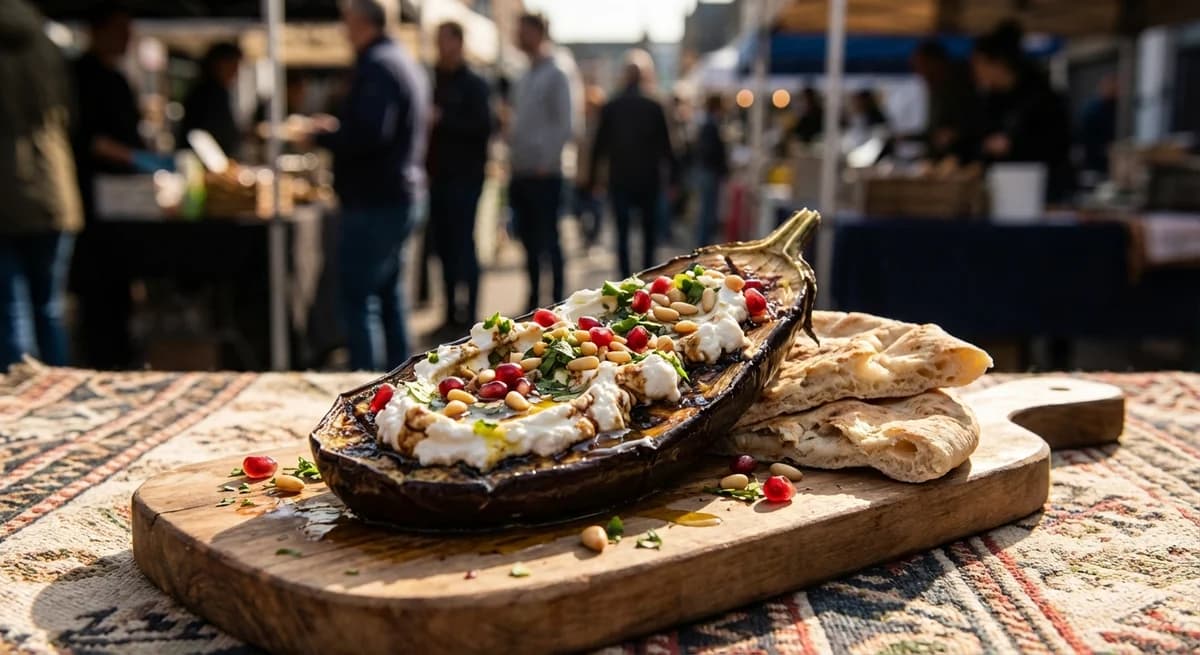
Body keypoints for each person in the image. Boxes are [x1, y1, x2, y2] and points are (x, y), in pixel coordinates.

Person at [311, 0, 429, 370]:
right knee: (388, 296)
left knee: (361, 299)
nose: (343, 31)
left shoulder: (379, 65)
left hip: (376, 198)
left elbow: (371, 133)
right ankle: (398, 381)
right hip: (395, 194)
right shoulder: (400, 60)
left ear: (362, 22)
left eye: (346, 22)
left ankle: (367, 387)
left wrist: (324, 135)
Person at [0, 0, 82, 368]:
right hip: (53, 185)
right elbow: (69, 115)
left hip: (5, 187)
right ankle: (56, 390)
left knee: (10, 304)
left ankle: (19, 394)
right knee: (48, 306)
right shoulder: (49, 46)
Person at [71, 4, 146, 369]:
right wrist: (133, 158)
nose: (127, 38)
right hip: (93, 199)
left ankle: (119, 355)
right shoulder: (80, 75)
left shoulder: (116, 77)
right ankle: (100, 359)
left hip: (123, 200)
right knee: (97, 291)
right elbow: (86, 138)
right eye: (121, 29)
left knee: (119, 288)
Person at [426, 21, 493, 331]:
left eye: (444, 40)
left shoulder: (475, 84)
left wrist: (444, 120)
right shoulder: (434, 79)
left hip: (465, 177)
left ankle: (472, 314)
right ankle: (451, 310)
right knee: (444, 247)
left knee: (464, 244)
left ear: (458, 42)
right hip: (438, 177)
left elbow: (483, 128)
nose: (440, 46)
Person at [588, 49, 677, 278]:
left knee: (623, 234)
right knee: (649, 235)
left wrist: (592, 179)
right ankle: (646, 279)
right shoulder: (654, 105)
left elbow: (599, 146)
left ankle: (626, 280)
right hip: (649, 180)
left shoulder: (612, 105)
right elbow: (668, 147)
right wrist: (675, 180)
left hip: (620, 180)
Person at [508, 12, 573, 310]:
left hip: (544, 173)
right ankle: (534, 300)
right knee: (529, 242)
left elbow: (565, 123)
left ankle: (559, 300)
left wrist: (547, 161)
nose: (517, 35)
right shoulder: (524, 73)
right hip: (522, 171)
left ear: (537, 32)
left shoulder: (557, 71)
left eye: (522, 30)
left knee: (549, 240)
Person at [971, 24, 1073, 202]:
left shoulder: (1042, 96)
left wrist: (1012, 146)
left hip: (1042, 196)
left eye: (979, 64)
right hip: (1000, 194)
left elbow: (1058, 147)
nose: (976, 72)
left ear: (999, 63)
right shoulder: (990, 101)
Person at [910, 39, 977, 161]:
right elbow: (934, 131)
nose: (921, 72)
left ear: (936, 63)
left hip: (964, 158)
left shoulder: (963, 85)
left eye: (922, 66)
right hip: (943, 160)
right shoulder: (937, 88)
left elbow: (975, 124)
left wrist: (955, 134)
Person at [180, 42, 243, 157]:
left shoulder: (218, 91)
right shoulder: (206, 94)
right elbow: (204, 135)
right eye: (233, 65)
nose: (235, 72)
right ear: (219, 64)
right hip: (204, 162)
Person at [693, 94, 729, 248]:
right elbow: (711, 151)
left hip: (706, 171)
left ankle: (703, 242)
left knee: (706, 210)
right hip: (709, 172)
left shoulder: (708, 123)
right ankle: (703, 244)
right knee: (707, 210)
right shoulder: (711, 125)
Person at [1078, 75, 1118, 176]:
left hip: (1104, 158)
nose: (1117, 92)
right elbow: (1084, 133)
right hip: (1093, 158)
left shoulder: (1112, 106)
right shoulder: (1093, 108)